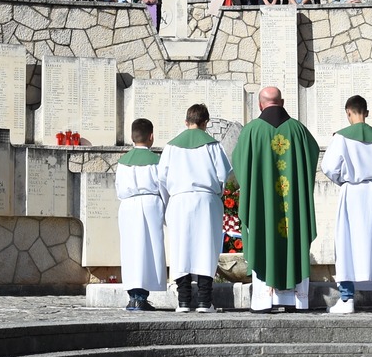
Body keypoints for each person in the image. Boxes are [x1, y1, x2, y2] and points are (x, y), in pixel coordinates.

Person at [232, 85, 319, 312]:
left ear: (260, 104)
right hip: (293, 208)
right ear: (282, 103)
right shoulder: (298, 131)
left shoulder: (252, 131)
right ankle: (295, 300)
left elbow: (239, 164)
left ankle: (263, 299)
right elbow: (312, 155)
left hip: (263, 207)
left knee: (264, 235)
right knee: (293, 235)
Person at [319, 94, 372, 314]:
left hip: (351, 191)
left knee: (347, 244)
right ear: (367, 112)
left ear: (348, 113)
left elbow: (329, 167)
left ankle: (347, 298)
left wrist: (342, 179)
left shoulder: (341, 138)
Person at [159, 103, 233, 313]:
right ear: (206, 123)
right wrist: (216, 193)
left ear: (186, 122)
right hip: (206, 201)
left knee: (180, 248)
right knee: (205, 249)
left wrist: (168, 203)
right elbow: (222, 176)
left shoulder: (171, 146)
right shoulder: (213, 145)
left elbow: (162, 179)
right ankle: (204, 302)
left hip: (179, 200)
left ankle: (183, 301)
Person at [115, 118, 167, 311]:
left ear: (131, 136)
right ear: (151, 136)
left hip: (128, 205)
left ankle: (132, 297)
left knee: (131, 250)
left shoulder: (123, 162)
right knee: (149, 250)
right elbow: (163, 186)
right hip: (151, 203)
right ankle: (142, 297)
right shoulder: (156, 161)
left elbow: (119, 189)